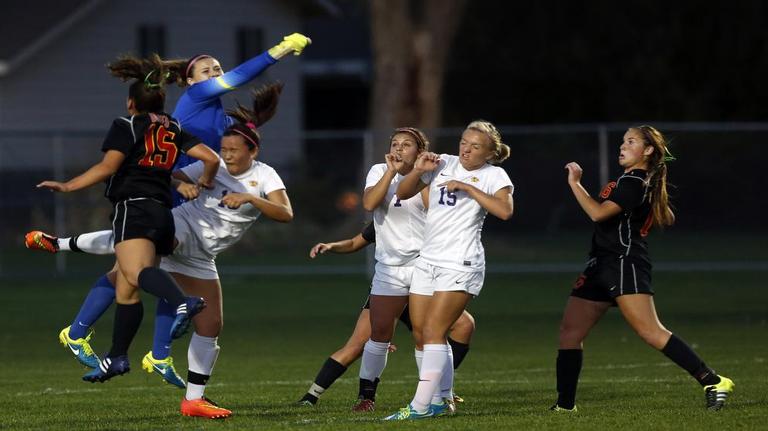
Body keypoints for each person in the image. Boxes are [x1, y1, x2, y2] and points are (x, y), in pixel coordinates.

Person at [26, 32, 311, 389]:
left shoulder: (220, 122)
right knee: (133, 267)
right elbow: (237, 80)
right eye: (206, 70)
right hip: (162, 188)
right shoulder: (196, 95)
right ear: (189, 81)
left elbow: (233, 146)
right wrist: (278, 51)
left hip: (175, 194)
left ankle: (149, 351)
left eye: (217, 68)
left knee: (138, 270)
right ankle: (80, 317)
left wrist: (250, 134)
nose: (215, 74)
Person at [35, 55, 220, 385]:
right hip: (163, 212)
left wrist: (67, 185)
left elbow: (107, 168)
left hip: (133, 207)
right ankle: (117, 356)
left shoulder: (127, 124)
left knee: (135, 273)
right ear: (161, 102)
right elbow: (210, 157)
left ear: (131, 102)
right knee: (126, 287)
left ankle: (182, 302)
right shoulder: (174, 128)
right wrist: (204, 180)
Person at [551, 125, 734, 412]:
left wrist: (575, 182)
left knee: (651, 332)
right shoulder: (632, 181)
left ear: (647, 151)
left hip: (624, 262)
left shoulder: (635, 182)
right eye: (623, 141)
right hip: (601, 264)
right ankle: (564, 406)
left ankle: (713, 380)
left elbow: (598, 214)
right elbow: (662, 216)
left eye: (631, 141)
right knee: (570, 332)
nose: (622, 146)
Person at [385, 120, 514, 420]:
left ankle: (418, 407)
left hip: (460, 262)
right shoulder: (444, 163)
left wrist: (467, 186)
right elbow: (402, 194)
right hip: (427, 259)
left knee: (434, 330)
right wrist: (418, 170)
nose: (466, 149)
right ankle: (442, 400)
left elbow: (505, 211)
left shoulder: (495, 175)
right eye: (464, 142)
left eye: (475, 146)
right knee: (420, 333)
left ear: (489, 152)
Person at [297, 222, 477, 408]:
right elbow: (354, 242)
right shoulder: (385, 216)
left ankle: (439, 387)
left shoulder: (430, 214)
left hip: (421, 289)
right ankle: (315, 396)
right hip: (390, 287)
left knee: (463, 326)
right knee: (359, 344)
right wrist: (331, 246)